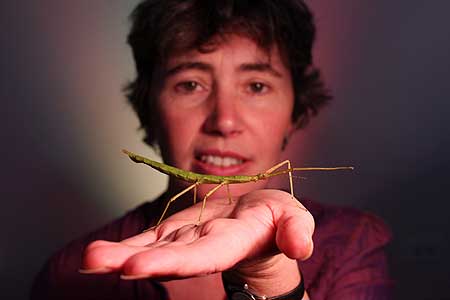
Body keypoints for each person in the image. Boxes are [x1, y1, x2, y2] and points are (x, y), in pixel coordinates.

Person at [31, 0, 392, 299]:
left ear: (295, 112)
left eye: (256, 86)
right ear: (149, 106)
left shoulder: (352, 246)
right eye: (190, 84)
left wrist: (270, 273)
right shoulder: (71, 275)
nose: (225, 121)